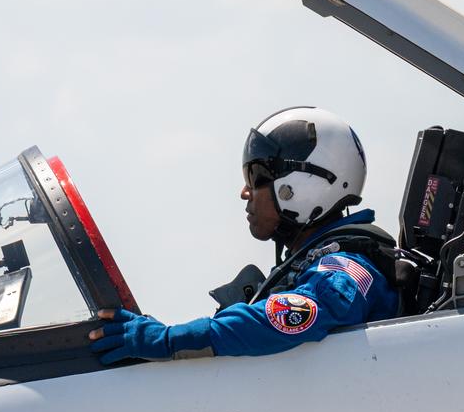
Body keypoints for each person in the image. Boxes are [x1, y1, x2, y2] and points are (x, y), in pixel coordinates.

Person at [90, 107, 399, 363]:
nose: (245, 192)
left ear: (303, 185)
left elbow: (291, 318)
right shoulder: (317, 263)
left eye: (258, 178)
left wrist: (167, 339)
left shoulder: (347, 268)